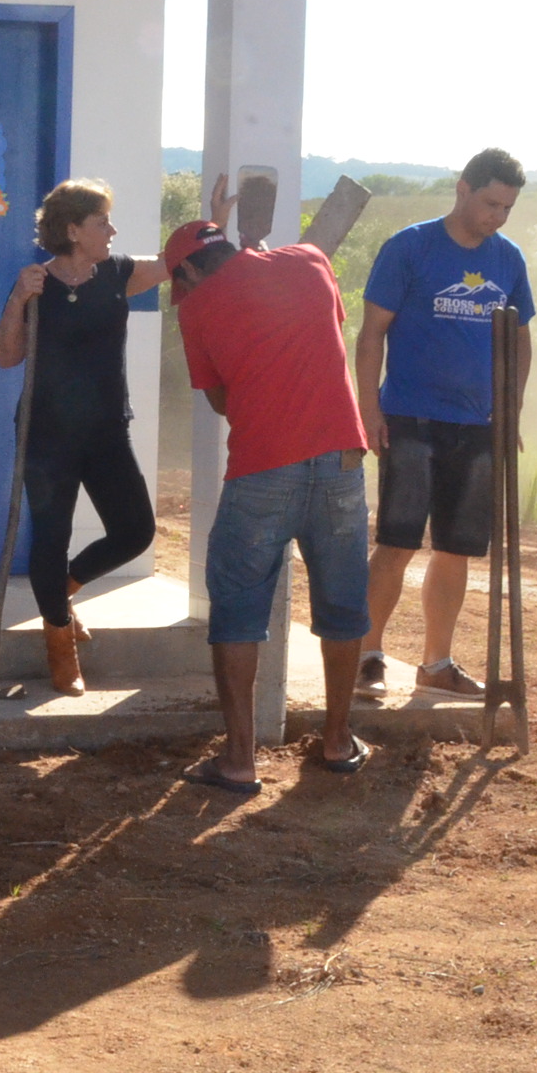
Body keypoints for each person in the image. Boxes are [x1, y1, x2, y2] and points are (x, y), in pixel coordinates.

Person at [168, 174, 373, 795]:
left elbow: (223, 400)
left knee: (238, 610)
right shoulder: (310, 262)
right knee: (342, 603)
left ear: (188, 274)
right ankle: (337, 741)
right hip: (340, 460)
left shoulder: (197, 309)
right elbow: (323, 324)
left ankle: (239, 760)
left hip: (262, 468)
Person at [353, 148, 536, 700]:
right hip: (410, 418)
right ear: (462, 189)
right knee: (397, 542)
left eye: (507, 208)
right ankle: (365, 657)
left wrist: (509, 411)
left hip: (478, 425)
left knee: (457, 548)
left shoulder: (508, 259)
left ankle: (436, 664)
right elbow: (371, 335)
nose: (497, 217)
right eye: (490, 204)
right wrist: (368, 410)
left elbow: (520, 341)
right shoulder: (410, 247)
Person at [0, 179, 163, 694]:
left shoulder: (118, 273)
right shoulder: (36, 283)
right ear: (72, 230)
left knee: (135, 530)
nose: (112, 230)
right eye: (101, 222)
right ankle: (59, 644)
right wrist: (18, 298)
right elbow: (4, 355)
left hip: (107, 428)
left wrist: (216, 221)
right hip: (47, 434)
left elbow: (177, 260)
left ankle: (63, 589)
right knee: (52, 537)